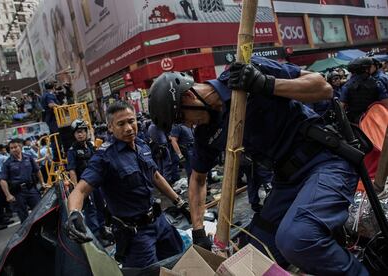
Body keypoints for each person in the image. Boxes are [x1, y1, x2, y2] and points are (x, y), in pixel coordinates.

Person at [148, 56, 369, 275]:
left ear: (189, 95)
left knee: (297, 238)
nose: (186, 125)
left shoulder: (247, 70)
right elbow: (197, 179)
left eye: (181, 117)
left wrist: (266, 84)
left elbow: (323, 88)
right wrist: (198, 232)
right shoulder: (206, 134)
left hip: (324, 163)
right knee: (251, 258)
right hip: (286, 183)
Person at [66, 101, 184, 268]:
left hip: (160, 222)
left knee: (179, 263)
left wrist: (179, 202)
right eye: (121, 124)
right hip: (136, 235)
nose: (129, 128)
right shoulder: (104, 158)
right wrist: (74, 213)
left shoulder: (142, 145)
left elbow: (155, 176)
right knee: (148, 273)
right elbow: (80, 190)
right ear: (110, 127)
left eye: (131, 121)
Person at [0, 139, 43, 223]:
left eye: (15, 147)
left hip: (31, 189)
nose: (13, 149)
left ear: (20, 147)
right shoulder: (7, 163)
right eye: (11, 148)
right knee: (24, 216)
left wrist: (42, 183)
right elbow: (3, 180)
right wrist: (8, 195)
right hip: (18, 192)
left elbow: (37, 170)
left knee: (39, 210)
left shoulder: (28, 157)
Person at [340, 57, 388, 124]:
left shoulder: (346, 86)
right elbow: (385, 104)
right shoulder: (377, 84)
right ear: (366, 69)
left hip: (355, 124)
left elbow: (341, 107)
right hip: (376, 121)